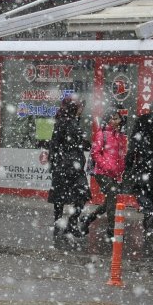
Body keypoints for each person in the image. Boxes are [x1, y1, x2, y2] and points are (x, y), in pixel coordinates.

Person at [47, 94, 91, 238]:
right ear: (74, 108)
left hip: (73, 166)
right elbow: (55, 144)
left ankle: (68, 225)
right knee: (64, 196)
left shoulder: (73, 121)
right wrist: (56, 162)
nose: (82, 109)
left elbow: (70, 143)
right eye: (80, 107)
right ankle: (62, 225)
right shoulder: (64, 122)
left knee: (79, 194)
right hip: (66, 165)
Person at [80, 108, 127, 236]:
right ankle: (112, 230)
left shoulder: (120, 136)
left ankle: (88, 219)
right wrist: (107, 166)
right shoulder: (102, 134)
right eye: (114, 118)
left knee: (108, 203)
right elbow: (95, 153)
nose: (117, 120)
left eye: (118, 118)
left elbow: (121, 154)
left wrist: (120, 169)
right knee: (112, 197)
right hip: (102, 173)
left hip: (114, 174)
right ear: (108, 119)